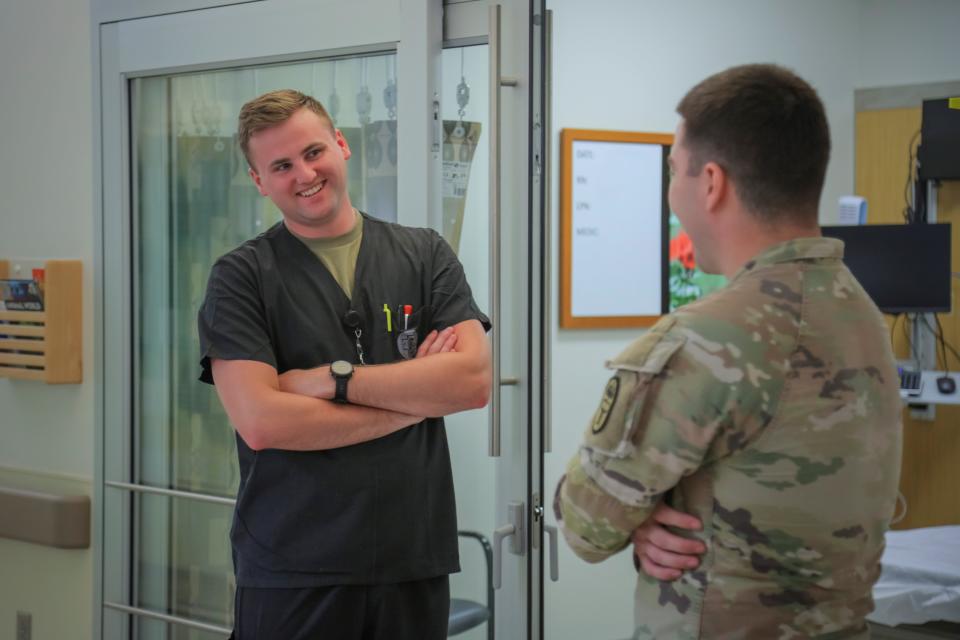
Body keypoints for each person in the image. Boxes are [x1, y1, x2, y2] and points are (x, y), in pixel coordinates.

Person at [555, 64, 903, 639]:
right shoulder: (858, 311)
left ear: (711, 182)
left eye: (673, 170)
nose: (671, 191)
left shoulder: (704, 339)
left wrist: (632, 520)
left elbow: (587, 525)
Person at [198, 89, 492, 639]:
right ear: (259, 181)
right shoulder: (241, 279)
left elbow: (472, 382)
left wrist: (334, 382)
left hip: (411, 561)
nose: (304, 174)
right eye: (281, 166)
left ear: (340, 144)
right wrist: (416, 403)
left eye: (313, 152)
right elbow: (263, 423)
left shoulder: (425, 254)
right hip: (294, 570)